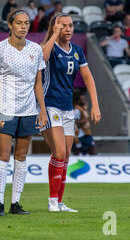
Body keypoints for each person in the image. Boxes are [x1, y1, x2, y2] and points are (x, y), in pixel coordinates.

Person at [0, 9, 48, 216]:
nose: (23, 26)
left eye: (26, 23)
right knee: (3, 155)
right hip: (5, 110)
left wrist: (42, 109)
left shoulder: (36, 50)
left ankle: (15, 203)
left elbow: (38, 82)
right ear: (10, 25)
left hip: (29, 109)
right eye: (19, 22)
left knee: (21, 156)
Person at [41, 13, 101, 212]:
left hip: (67, 108)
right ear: (55, 27)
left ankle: (59, 201)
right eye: (63, 25)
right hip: (50, 105)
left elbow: (88, 78)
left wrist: (96, 104)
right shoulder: (49, 47)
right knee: (58, 152)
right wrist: (53, 34)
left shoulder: (76, 51)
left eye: (70, 25)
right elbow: (43, 57)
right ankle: (51, 200)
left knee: (66, 156)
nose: (68, 29)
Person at [72, 90, 97, 156]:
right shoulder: (77, 110)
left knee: (90, 150)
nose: (84, 98)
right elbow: (74, 121)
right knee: (90, 149)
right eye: (82, 97)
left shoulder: (82, 108)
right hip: (81, 134)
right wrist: (83, 120)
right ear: (78, 99)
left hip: (86, 133)